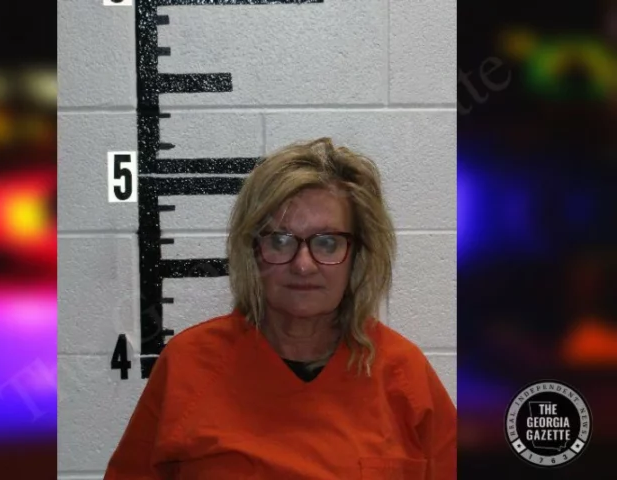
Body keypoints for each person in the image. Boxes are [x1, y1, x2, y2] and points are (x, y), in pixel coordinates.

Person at [103, 137, 456, 479]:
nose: (303, 265)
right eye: (280, 240)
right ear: (253, 252)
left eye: (328, 242)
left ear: (358, 256)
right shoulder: (188, 365)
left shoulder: (404, 375)